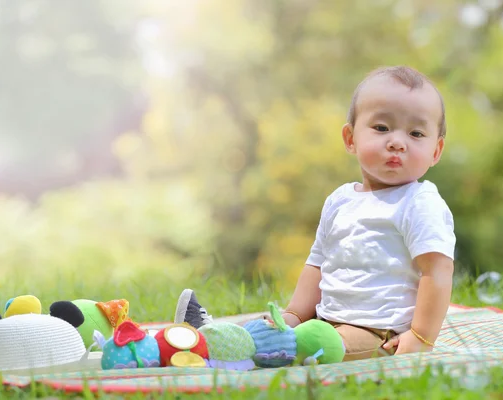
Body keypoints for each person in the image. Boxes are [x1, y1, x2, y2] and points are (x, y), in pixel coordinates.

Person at [175, 65, 456, 362]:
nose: (397, 141)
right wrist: (294, 313)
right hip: (324, 322)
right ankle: (209, 335)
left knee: (307, 344)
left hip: (380, 333)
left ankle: (218, 344)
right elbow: (317, 265)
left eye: (416, 133)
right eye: (382, 128)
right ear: (351, 139)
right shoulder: (340, 201)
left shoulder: (419, 203)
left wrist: (422, 336)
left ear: (436, 151)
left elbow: (436, 271)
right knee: (277, 327)